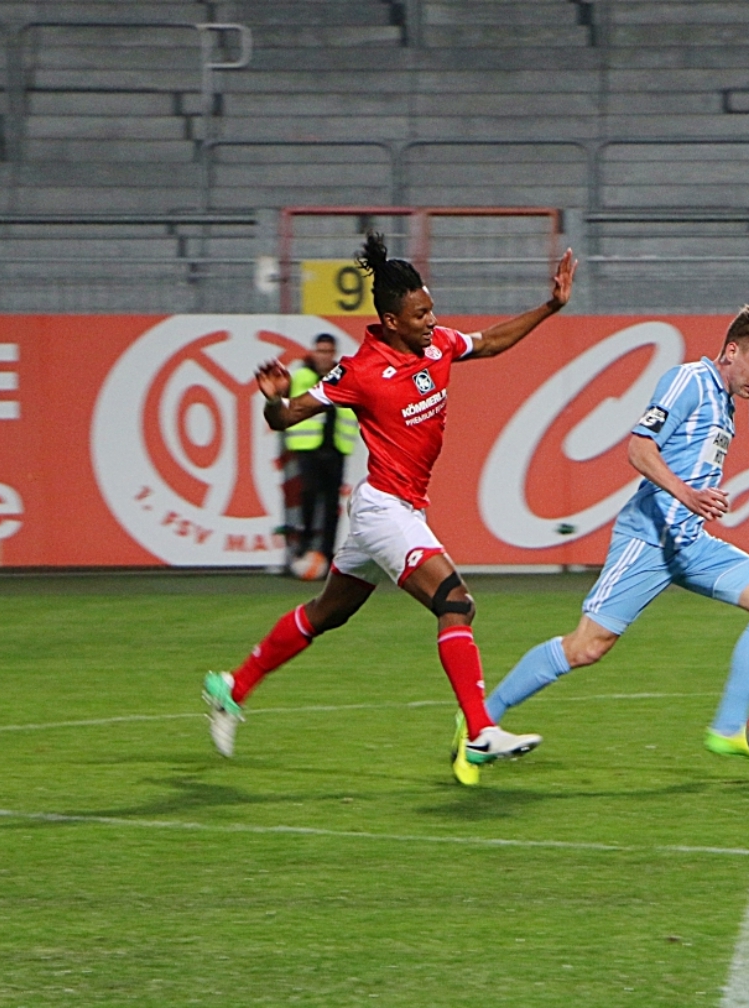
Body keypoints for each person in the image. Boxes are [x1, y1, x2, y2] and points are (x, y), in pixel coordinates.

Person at [203, 232, 578, 787]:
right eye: (421, 313)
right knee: (456, 603)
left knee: (328, 613)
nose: (432, 319)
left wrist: (550, 306)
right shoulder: (359, 372)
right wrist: (274, 398)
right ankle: (478, 731)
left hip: (402, 510)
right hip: (384, 510)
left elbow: (492, 342)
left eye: (431, 308)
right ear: (392, 320)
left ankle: (231, 688)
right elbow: (285, 421)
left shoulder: (438, 345)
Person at [485, 305, 749, 757]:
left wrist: (694, 503)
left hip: (690, 543)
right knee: (586, 647)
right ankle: (481, 720)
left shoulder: (725, 401)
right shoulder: (689, 380)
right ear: (732, 351)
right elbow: (639, 447)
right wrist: (688, 495)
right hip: (649, 540)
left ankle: (727, 729)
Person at [285, 333, 358, 580]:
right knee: (307, 496)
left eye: (328, 351)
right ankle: (302, 549)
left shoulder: (342, 376)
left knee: (330, 506)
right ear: (313, 352)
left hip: (336, 446)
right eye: (320, 350)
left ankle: (326, 556)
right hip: (308, 447)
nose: (324, 356)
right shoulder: (302, 376)